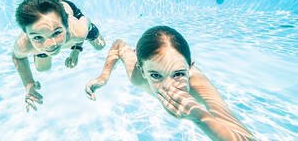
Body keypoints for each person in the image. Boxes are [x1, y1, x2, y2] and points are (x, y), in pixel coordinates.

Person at [85, 26, 255, 141]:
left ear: (190, 67)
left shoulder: (197, 85)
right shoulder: (137, 76)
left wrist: (199, 117)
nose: (169, 86)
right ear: (143, 72)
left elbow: (246, 138)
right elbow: (118, 45)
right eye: (155, 75)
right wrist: (104, 77)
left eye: (179, 74)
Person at [12, 0, 105, 112]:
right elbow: (17, 57)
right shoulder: (23, 45)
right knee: (42, 68)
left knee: (100, 46)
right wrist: (29, 84)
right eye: (37, 37)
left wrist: (75, 51)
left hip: (73, 16)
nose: (50, 44)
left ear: (66, 27)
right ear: (26, 34)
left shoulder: (78, 31)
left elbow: (85, 20)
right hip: (58, 22)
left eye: (56, 33)